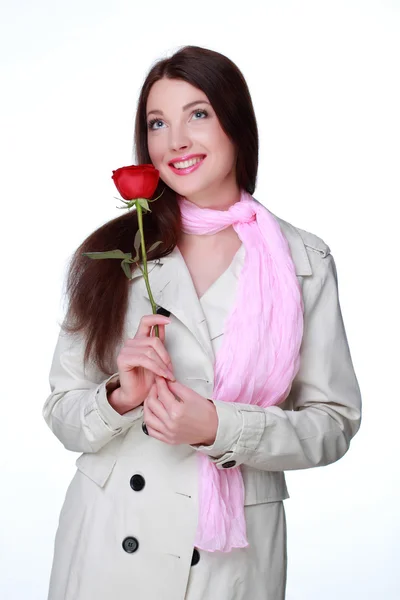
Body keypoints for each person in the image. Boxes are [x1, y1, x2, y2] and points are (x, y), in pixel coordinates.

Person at [42, 45, 362, 600]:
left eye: (198, 114)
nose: (176, 141)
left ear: (235, 122)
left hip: (228, 560)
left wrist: (220, 428)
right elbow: (61, 411)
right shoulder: (116, 254)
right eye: (157, 123)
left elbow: (333, 423)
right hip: (109, 542)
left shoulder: (304, 261)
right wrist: (120, 397)